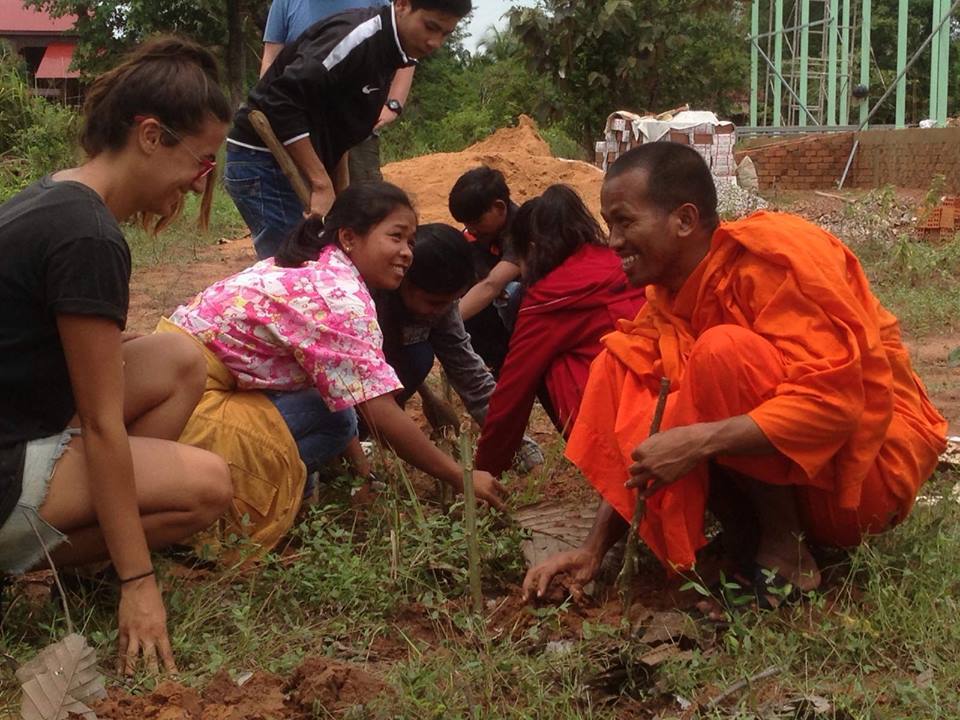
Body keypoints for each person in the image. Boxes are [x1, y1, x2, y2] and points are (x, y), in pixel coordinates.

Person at [522, 143, 947, 606]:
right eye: (609, 225)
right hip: (803, 479)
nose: (613, 242)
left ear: (684, 220)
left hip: (862, 482)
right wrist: (592, 550)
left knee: (721, 353)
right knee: (622, 363)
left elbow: (834, 405)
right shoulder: (667, 299)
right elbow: (645, 427)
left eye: (624, 222)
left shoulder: (769, 261)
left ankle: (789, 556)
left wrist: (700, 440)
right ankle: (750, 541)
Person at [0, 38, 234, 674]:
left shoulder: (55, 196)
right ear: (152, 136)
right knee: (206, 486)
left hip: (22, 419)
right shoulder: (90, 237)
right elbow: (102, 424)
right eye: (202, 161)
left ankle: (82, 546)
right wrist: (140, 581)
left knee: (179, 360)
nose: (200, 180)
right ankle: (64, 562)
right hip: (7, 467)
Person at [164, 183, 506, 551]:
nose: (407, 253)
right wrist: (460, 476)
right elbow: (376, 409)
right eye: (396, 237)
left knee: (333, 411)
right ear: (349, 237)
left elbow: (455, 366)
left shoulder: (318, 263)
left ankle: (291, 498)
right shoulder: (340, 298)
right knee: (337, 420)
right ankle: (212, 509)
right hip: (189, 399)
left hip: (178, 384)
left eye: (410, 240)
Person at [227, 0, 470, 259]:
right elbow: (280, 100)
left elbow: (334, 126)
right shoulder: (357, 38)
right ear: (401, 4)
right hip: (264, 161)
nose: (435, 42)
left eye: (445, 34)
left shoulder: (390, 53)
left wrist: (341, 196)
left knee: (316, 264)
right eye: (430, 27)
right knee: (292, 270)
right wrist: (321, 184)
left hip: (292, 163)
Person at [474, 185, 647, 477]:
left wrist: (486, 469)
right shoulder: (622, 264)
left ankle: (607, 466)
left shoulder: (548, 298)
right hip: (674, 405)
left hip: (622, 429)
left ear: (529, 250)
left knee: (548, 364)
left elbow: (513, 391)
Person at [373, 223, 544, 471]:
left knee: (418, 357)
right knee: (415, 358)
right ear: (404, 280)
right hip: (343, 396)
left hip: (387, 379)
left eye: (450, 302)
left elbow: (470, 375)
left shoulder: (441, 308)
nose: (441, 311)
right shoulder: (366, 303)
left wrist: (516, 442)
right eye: (433, 303)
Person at [258, 0, 416, 186]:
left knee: (363, 200)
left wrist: (394, 103)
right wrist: (266, 102)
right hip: (297, 127)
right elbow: (271, 57)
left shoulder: (378, 3)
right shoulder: (285, 3)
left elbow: (406, 50)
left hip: (354, 124)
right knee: (300, 198)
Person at [447, 166, 522, 375]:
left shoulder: (523, 229)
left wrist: (445, 323)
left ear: (499, 207)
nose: (471, 229)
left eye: (476, 222)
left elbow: (492, 285)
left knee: (512, 292)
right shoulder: (476, 234)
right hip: (497, 317)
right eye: (466, 224)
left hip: (531, 318)